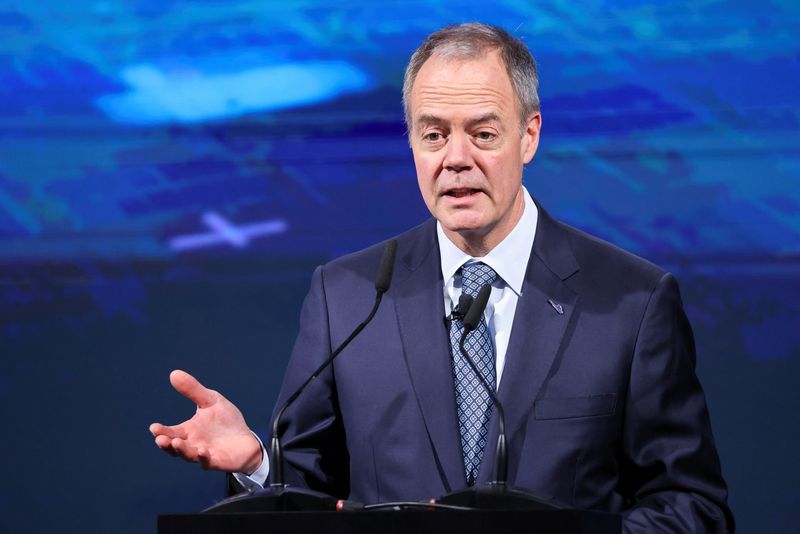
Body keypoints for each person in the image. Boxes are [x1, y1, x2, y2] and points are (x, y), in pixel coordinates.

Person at [150, 23, 733, 532]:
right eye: (433, 135)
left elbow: (690, 505)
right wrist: (258, 466)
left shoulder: (630, 301)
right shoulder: (349, 296)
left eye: (482, 133)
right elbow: (311, 492)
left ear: (528, 135)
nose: (455, 158)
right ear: (411, 142)